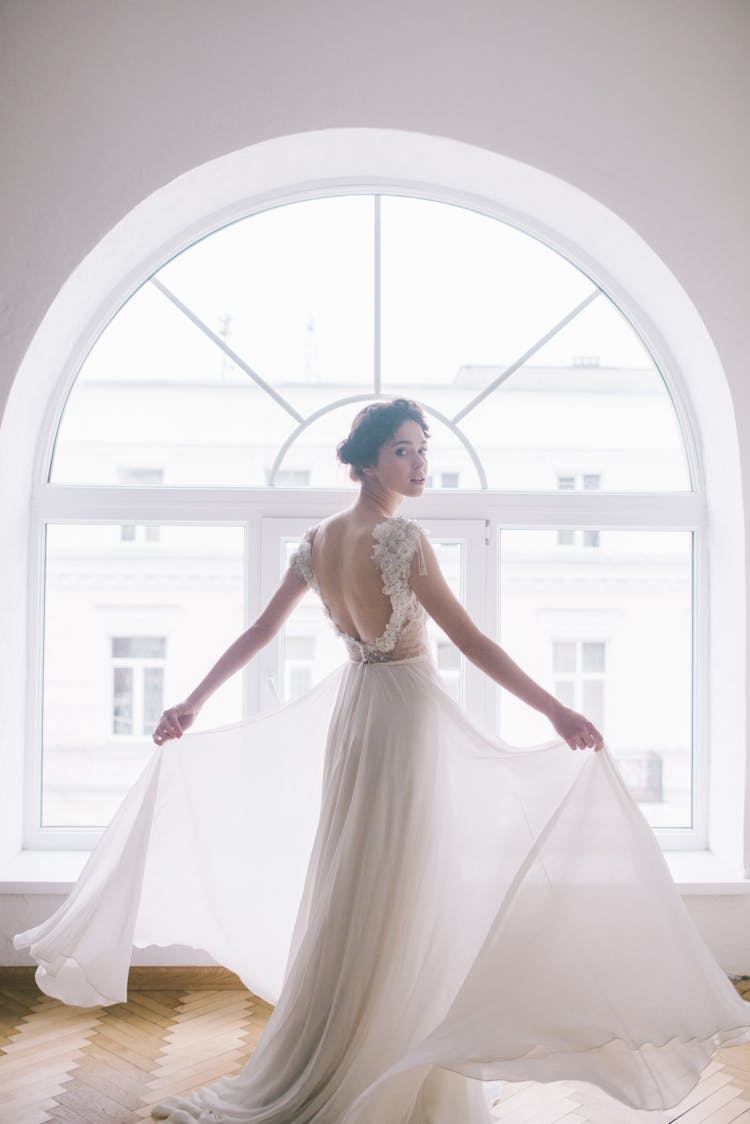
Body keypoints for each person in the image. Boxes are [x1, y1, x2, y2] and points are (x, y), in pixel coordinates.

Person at [15, 398, 750, 1124]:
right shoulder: (400, 540)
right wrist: (554, 710)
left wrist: (193, 702)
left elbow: (259, 633)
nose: (421, 462)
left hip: (361, 714)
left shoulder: (319, 540)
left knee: (366, 879)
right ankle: (388, 1050)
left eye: (424, 448)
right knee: (400, 881)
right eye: (404, 449)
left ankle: (361, 1040)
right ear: (365, 459)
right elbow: (469, 643)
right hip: (401, 715)